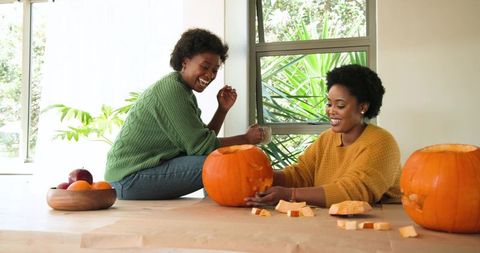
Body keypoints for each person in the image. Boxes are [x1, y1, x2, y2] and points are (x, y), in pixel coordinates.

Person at [105, 28, 264, 200]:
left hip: (134, 175)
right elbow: (202, 148)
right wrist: (246, 139)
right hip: (129, 179)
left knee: (215, 160)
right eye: (205, 66)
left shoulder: (182, 90)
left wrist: (222, 110)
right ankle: (220, 209)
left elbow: (200, 142)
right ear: (184, 61)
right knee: (218, 162)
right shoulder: (172, 91)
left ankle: (216, 208)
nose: (210, 75)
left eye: (215, 70)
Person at [245, 64, 402, 208]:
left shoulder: (382, 143)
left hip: (381, 226)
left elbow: (353, 193)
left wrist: (289, 194)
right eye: (329, 104)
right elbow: (300, 175)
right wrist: (258, 176)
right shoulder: (327, 138)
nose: (331, 111)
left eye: (340, 105)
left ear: (363, 107)